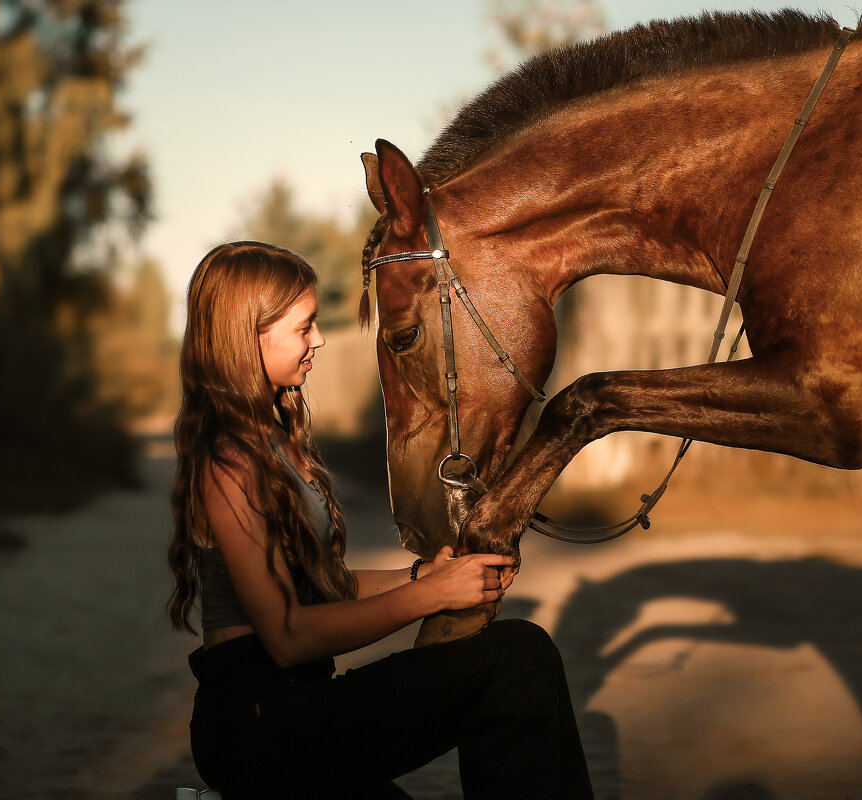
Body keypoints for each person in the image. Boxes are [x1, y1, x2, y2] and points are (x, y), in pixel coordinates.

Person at [167, 241, 593, 800]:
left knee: (517, 659)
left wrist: (425, 576)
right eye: (304, 326)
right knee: (516, 659)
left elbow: (322, 586)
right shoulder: (230, 462)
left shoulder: (271, 441)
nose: (319, 339)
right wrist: (432, 598)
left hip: (297, 705)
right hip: (261, 723)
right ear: (248, 337)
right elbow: (289, 636)